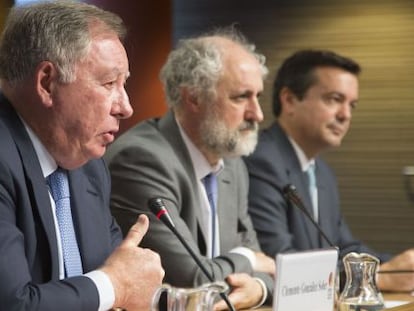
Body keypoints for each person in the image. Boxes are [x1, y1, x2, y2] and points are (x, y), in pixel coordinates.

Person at [0, 2, 164, 310]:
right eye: (109, 83)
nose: (126, 107)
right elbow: (13, 304)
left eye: (124, 84)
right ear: (47, 82)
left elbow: (123, 276)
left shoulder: (88, 165)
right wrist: (115, 285)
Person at [104, 28, 275, 310]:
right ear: (193, 98)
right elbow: (190, 281)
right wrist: (249, 259)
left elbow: (267, 269)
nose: (257, 114)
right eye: (241, 97)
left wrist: (257, 287)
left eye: (257, 96)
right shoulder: (142, 160)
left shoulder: (233, 166)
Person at [244, 49, 414, 291]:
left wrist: (398, 268)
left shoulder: (321, 171)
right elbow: (279, 260)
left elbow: (343, 247)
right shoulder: (261, 161)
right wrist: (376, 278)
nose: (345, 115)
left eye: (352, 105)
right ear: (289, 100)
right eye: (334, 99)